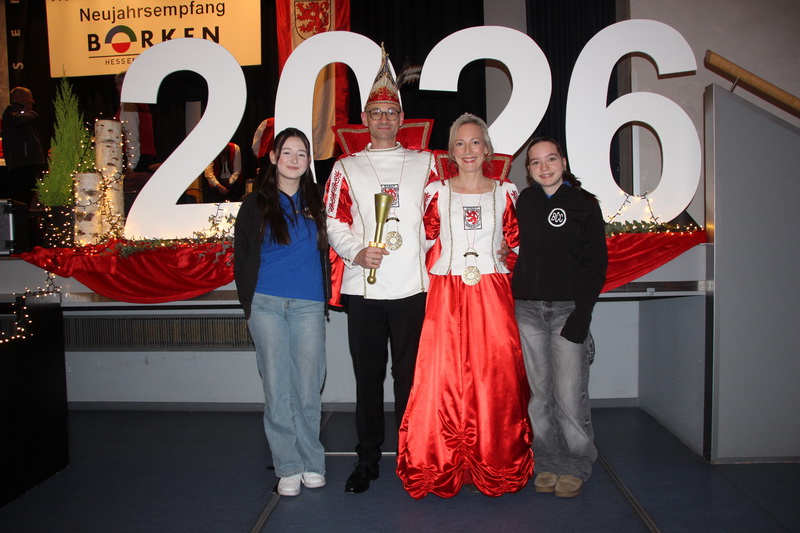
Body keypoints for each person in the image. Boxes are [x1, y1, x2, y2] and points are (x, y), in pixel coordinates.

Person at [396, 114, 533, 498]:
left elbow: (521, 244)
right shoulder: (436, 192)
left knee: (496, 376)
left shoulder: (506, 192)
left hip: (492, 291)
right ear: (451, 152)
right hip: (447, 293)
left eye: (475, 142)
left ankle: (494, 457)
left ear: (487, 149)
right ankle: (439, 460)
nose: (468, 150)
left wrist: (510, 255)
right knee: (442, 378)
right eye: (460, 143)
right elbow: (423, 243)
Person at [325, 46, 436, 494]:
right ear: (364, 119)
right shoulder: (345, 167)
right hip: (365, 290)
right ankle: (368, 459)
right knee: (368, 379)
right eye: (376, 113)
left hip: (412, 288)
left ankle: (412, 455)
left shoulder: (426, 163)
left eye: (391, 112)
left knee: (410, 379)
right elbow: (334, 220)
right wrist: (356, 252)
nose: (384, 119)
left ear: (402, 118)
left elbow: (438, 219)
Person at [233, 128, 331, 497]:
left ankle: (312, 462)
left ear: (308, 161)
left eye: (301, 153)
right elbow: (242, 256)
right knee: (277, 388)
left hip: (308, 304)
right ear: (273, 157)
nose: (294, 159)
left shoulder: (318, 200)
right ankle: (288, 466)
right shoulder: (254, 203)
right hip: (266, 305)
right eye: (286, 152)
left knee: (308, 386)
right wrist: (249, 305)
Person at [512, 136, 608, 498]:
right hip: (528, 311)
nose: (544, 167)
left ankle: (576, 463)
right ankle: (548, 460)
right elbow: (515, 246)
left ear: (563, 163)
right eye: (536, 162)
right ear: (529, 170)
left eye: (551, 159)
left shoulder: (584, 205)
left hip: (568, 311)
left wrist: (582, 315)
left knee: (569, 395)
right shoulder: (524, 201)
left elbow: (595, 266)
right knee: (539, 395)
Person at [2, 87, 46, 207]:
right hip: (21, 164)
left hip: (29, 163)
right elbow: (21, 119)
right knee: (22, 198)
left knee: (30, 196)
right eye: (29, 97)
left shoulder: (22, 115)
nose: (32, 101)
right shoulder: (11, 113)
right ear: (19, 98)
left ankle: (26, 217)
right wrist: (31, 113)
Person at [115, 71, 157, 173]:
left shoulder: (129, 105)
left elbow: (132, 135)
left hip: (137, 158)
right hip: (143, 156)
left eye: (121, 84)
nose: (118, 87)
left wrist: (131, 165)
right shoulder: (141, 103)